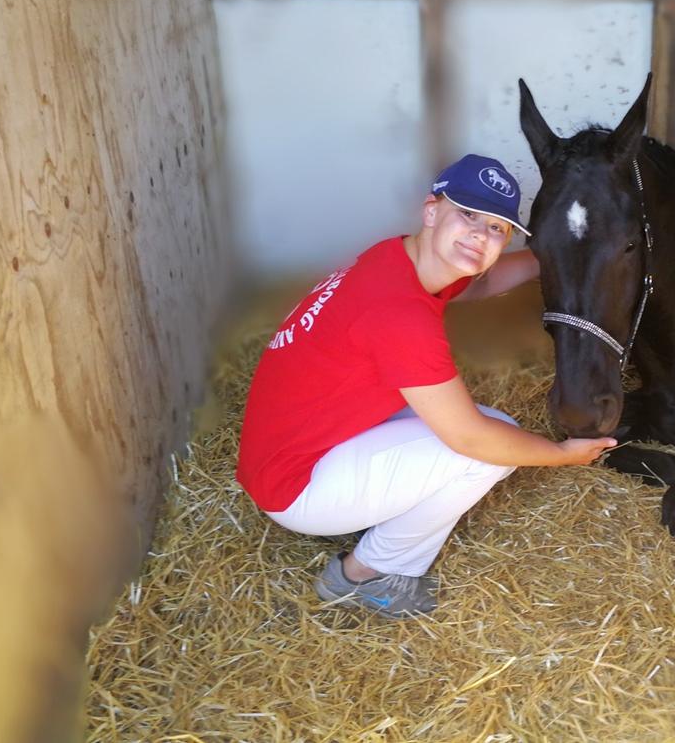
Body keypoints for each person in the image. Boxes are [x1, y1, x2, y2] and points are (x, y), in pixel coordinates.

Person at [236, 154, 616, 619]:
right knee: (482, 451)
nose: (480, 234)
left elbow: (478, 283)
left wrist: (553, 255)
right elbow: (469, 438)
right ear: (432, 210)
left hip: (300, 444)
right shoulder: (399, 318)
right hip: (295, 485)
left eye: (497, 229)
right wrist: (563, 455)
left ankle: (372, 528)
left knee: (499, 427)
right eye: (469, 214)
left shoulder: (397, 257)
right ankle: (361, 576)